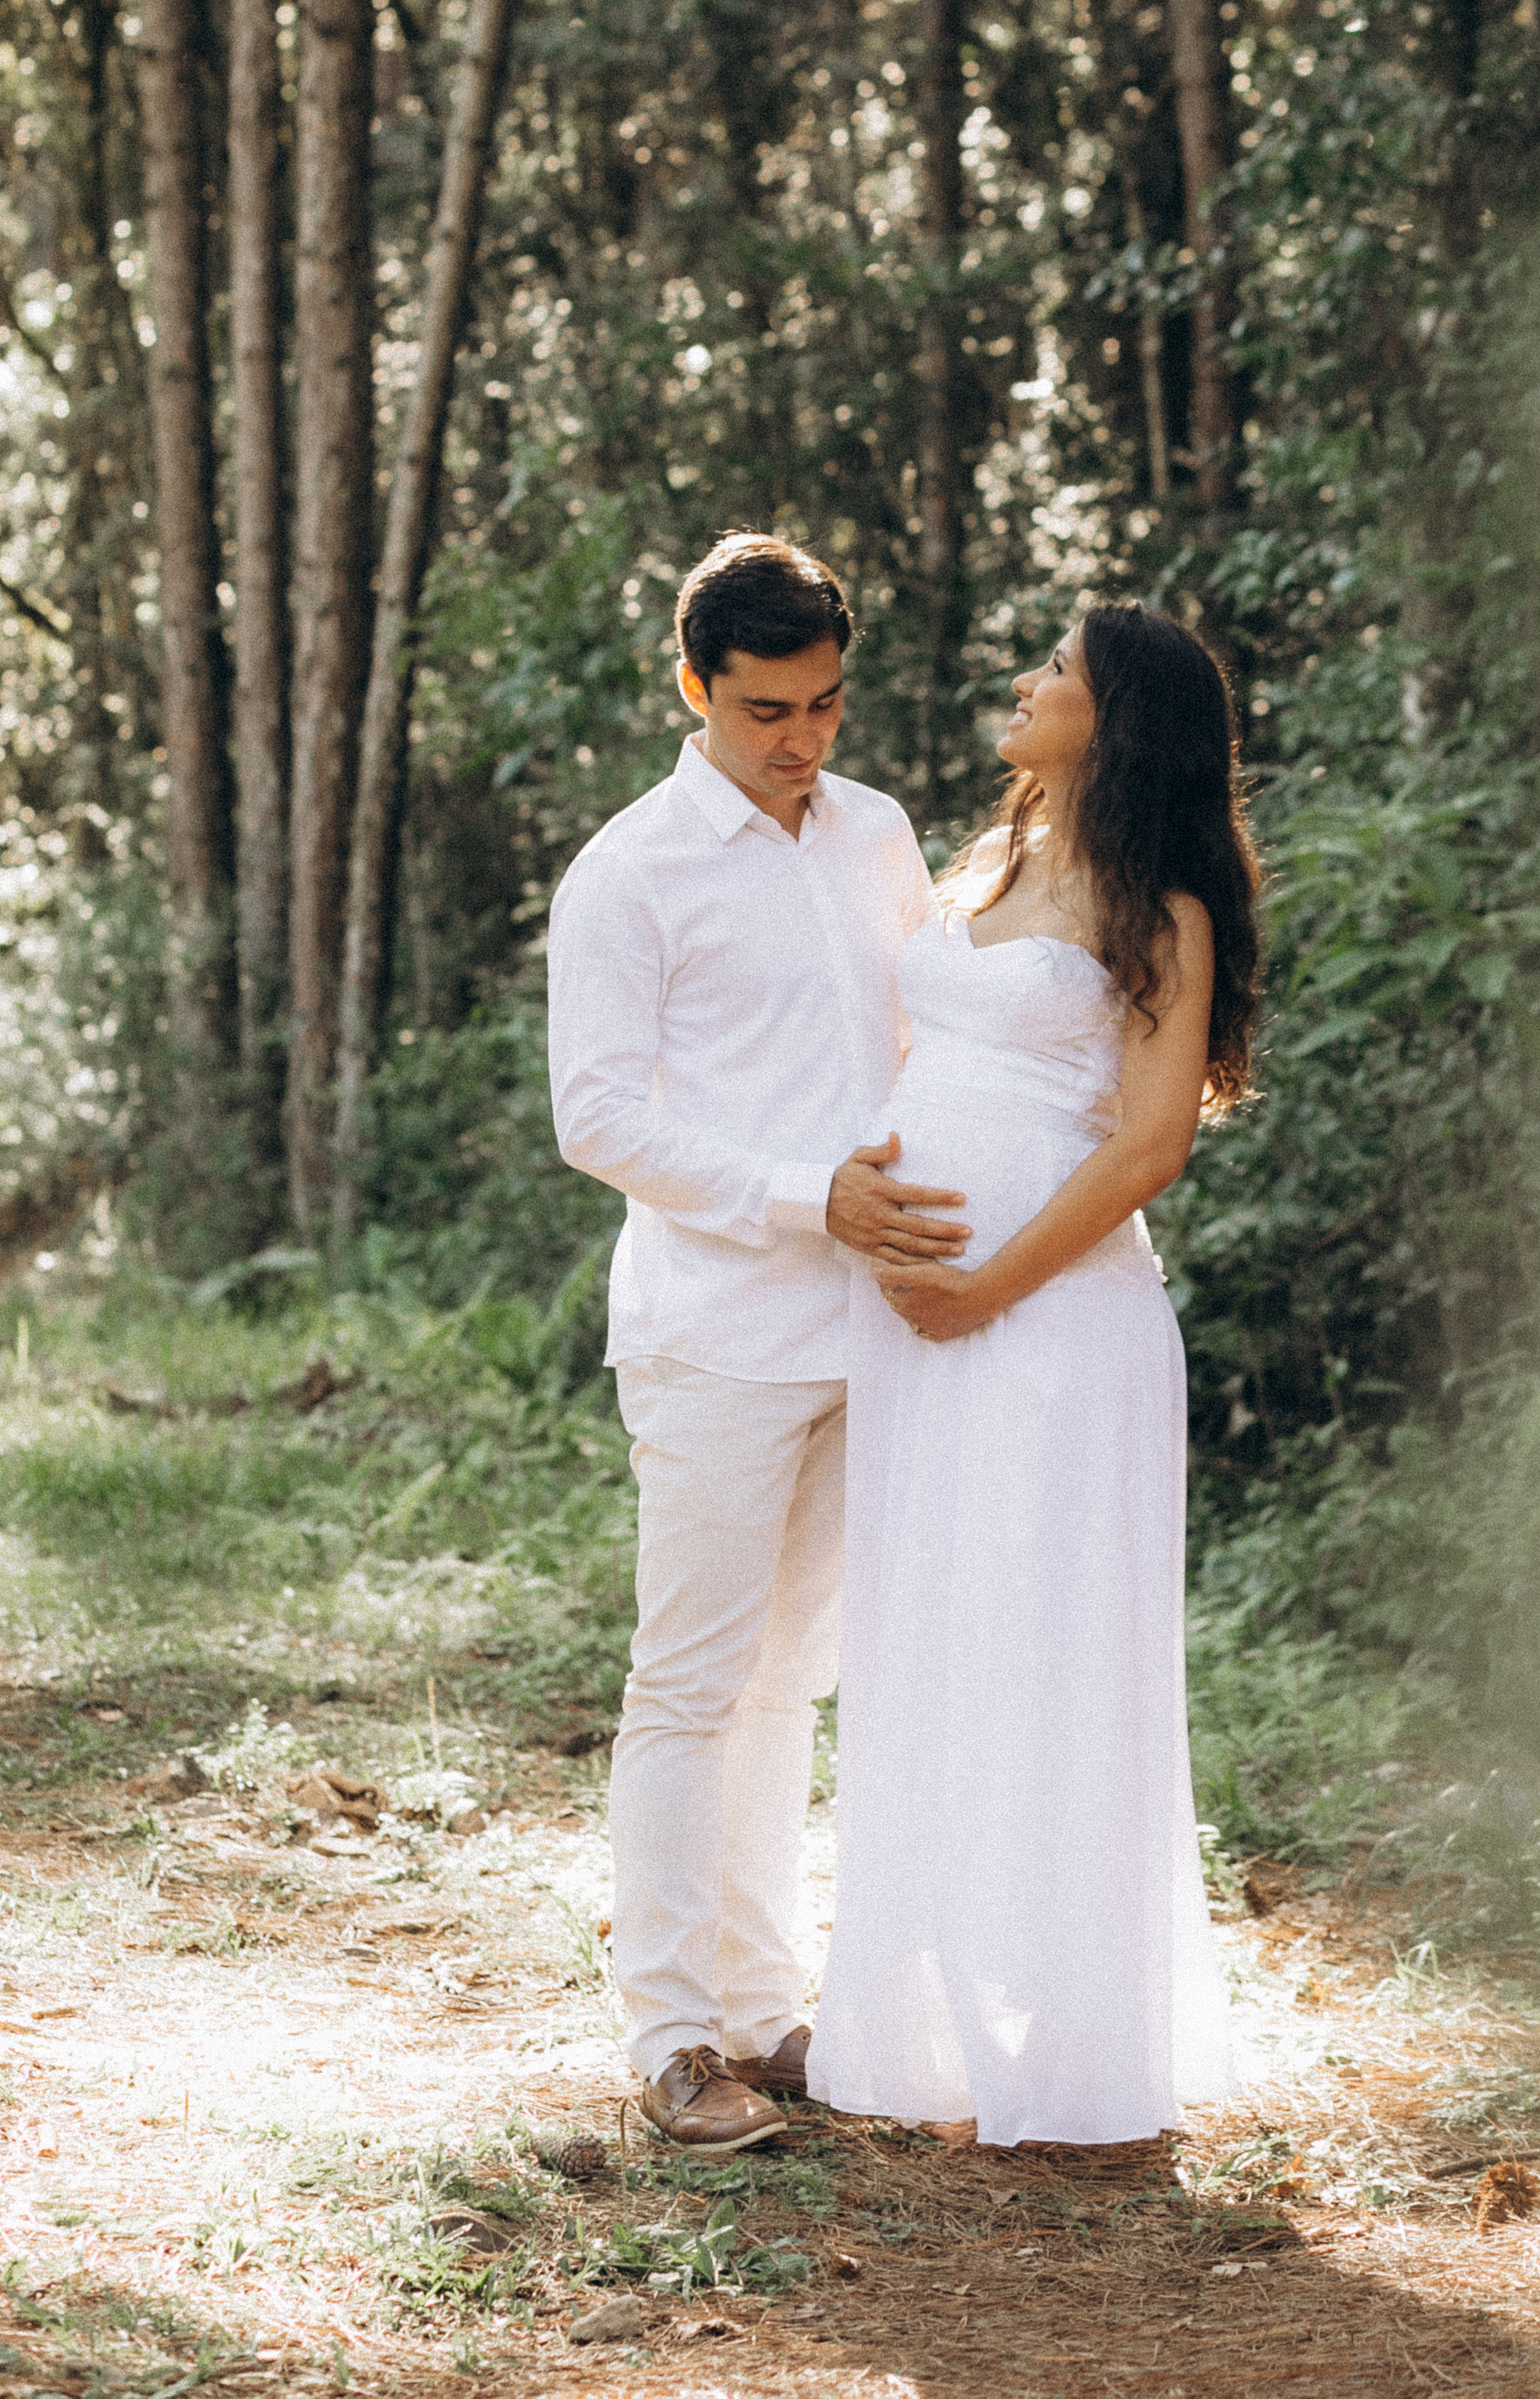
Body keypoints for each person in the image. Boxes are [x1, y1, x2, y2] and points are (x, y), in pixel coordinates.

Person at [807, 602, 1261, 2148]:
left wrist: (988, 1282)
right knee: (929, 1629)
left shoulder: (1163, 905)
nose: (1022, 682)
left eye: (1054, 670)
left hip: (1057, 1329)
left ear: (1118, 716)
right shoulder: (983, 864)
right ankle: (930, 2019)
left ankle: (1070, 2041)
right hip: (916, 1321)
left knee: (1048, 1648)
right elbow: (925, 1059)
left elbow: (1150, 1140)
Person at [547, 533, 973, 2157]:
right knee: (689, 1683)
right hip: (716, 1329)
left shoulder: (874, 831)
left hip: (873, 1328)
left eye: (825, 704)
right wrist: (807, 1199)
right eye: (767, 707)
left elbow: (920, 1039)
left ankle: (764, 2007)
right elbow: (597, 1119)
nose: (803, 737)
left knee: (792, 1681)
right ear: (692, 688)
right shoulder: (630, 869)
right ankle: (666, 2042)